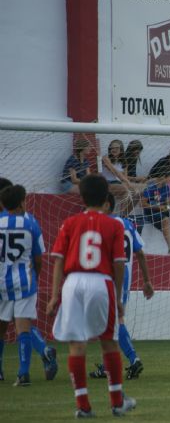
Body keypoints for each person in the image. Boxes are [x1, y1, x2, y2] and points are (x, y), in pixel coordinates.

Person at [45, 174, 136, 418]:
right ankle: (117, 402)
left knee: (77, 344)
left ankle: (83, 406)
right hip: (100, 282)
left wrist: (55, 295)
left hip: (72, 282)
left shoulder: (70, 223)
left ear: (82, 197)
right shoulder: (114, 224)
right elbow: (119, 263)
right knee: (109, 341)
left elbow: (58, 261)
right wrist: (117, 297)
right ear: (106, 197)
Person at [89, 193, 154, 380]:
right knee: (110, 323)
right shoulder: (127, 224)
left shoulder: (102, 224)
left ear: (107, 205)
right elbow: (140, 253)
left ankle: (134, 359)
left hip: (107, 278)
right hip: (124, 278)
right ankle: (106, 366)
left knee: (116, 322)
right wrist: (147, 280)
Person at [0, 179, 58, 384]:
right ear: (22, 202)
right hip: (25, 281)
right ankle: (24, 371)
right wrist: (37, 276)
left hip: (1, 282)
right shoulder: (30, 222)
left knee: (6, 324)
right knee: (22, 326)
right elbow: (38, 256)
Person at [141, 166, 170, 254]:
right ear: (163, 177)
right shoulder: (150, 187)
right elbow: (142, 204)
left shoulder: (166, 187)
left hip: (162, 209)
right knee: (165, 219)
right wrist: (158, 207)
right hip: (151, 212)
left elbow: (167, 203)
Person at [102, 139, 140, 216]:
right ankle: (117, 216)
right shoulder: (105, 158)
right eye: (112, 148)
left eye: (116, 148)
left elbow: (124, 177)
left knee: (138, 193)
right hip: (106, 183)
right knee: (125, 191)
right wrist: (128, 183)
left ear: (121, 149)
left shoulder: (123, 161)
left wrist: (129, 185)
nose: (114, 149)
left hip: (118, 183)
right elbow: (114, 171)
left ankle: (125, 215)